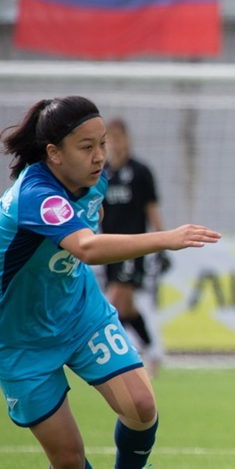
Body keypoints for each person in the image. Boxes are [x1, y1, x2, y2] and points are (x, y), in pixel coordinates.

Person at [0, 96, 221, 469]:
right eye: (86, 146)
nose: (100, 155)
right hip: (16, 336)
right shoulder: (35, 195)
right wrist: (169, 238)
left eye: (102, 143)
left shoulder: (94, 180)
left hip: (77, 310)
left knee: (142, 406)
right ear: (53, 152)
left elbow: (92, 223)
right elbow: (86, 246)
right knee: (67, 459)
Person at [101, 118, 166, 377]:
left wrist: (161, 242)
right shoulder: (101, 175)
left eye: (121, 138)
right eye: (112, 139)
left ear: (128, 140)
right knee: (126, 309)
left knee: (116, 300)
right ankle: (152, 350)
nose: (117, 144)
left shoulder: (140, 172)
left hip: (133, 247)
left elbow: (152, 209)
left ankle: (121, 358)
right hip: (107, 249)